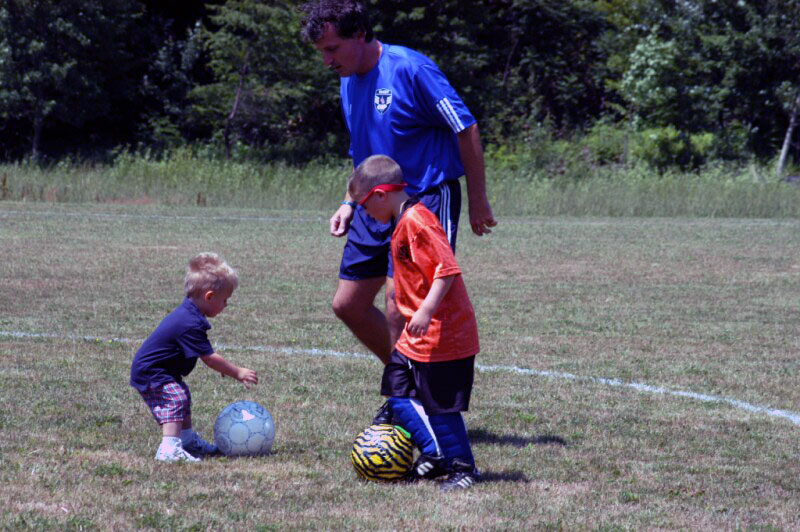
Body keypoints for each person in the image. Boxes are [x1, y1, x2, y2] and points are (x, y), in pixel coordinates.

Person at [300, 1, 497, 374]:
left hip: (424, 199)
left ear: (359, 34)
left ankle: (407, 402)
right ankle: (407, 386)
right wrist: (347, 202)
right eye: (322, 52)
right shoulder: (347, 81)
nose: (327, 61)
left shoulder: (410, 68)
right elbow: (363, 151)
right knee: (348, 305)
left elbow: (466, 127)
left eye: (332, 49)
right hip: (372, 203)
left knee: (398, 303)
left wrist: (478, 198)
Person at [348, 154, 481, 491]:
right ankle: (435, 452)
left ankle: (463, 468)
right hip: (415, 336)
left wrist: (424, 311)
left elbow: (447, 268)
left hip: (443, 334)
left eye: (364, 206)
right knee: (396, 391)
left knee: (440, 407)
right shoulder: (402, 222)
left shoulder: (418, 221)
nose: (365, 214)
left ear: (380, 195)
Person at [130, 253, 259, 462]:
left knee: (183, 394)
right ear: (209, 297)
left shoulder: (190, 313)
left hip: (161, 371)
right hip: (150, 372)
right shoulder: (189, 322)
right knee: (176, 398)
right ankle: (169, 449)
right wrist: (237, 372)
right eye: (225, 300)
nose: (226, 305)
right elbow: (209, 358)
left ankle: (187, 441)